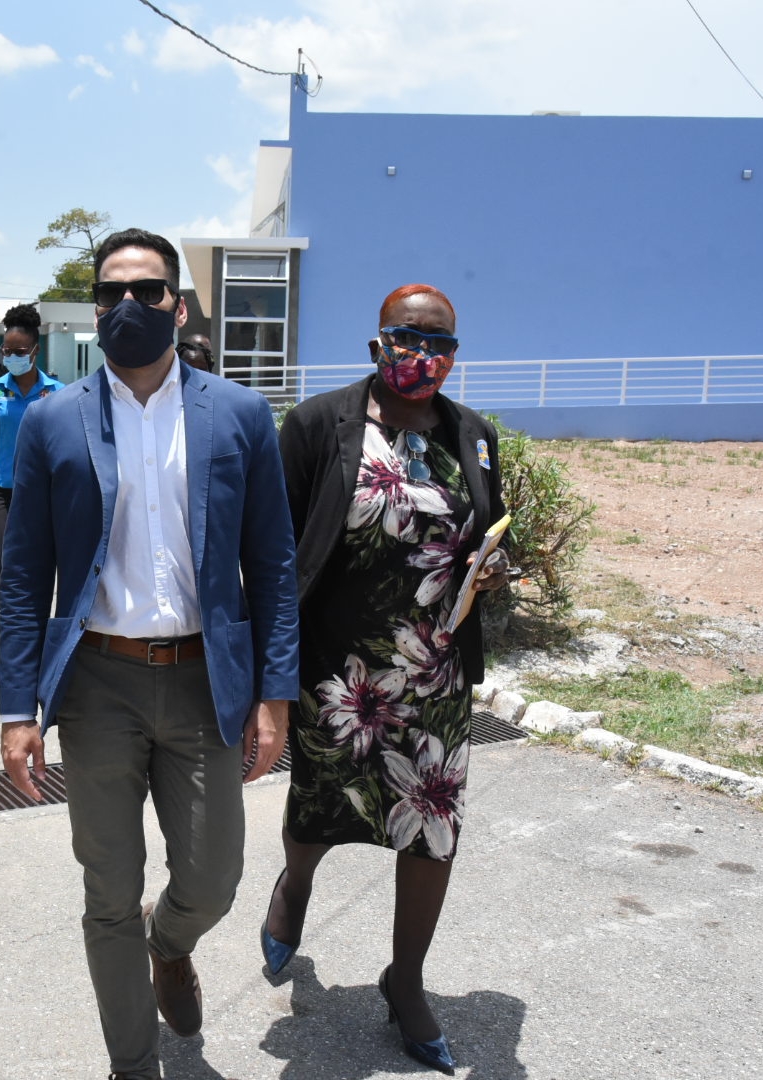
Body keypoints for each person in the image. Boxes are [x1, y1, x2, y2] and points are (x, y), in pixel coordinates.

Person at [0, 229, 299, 1080]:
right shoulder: (55, 420)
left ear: (180, 303)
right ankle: (133, 1064)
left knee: (214, 879)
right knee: (107, 890)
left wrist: (274, 696)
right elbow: (24, 579)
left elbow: (272, 565)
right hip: (98, 685)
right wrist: (18, 709)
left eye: (150, 290)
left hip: (207, 683)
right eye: (113, 292)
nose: (131, 306)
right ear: (96, 308)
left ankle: (171, 945)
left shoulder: (237, 415)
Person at [259, 283, 509, 1077]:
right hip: (340, 670)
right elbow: (274, 551)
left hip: (434, 669)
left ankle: (405, 982)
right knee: (318, 808)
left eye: (442, 343)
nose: (425, 355)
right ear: (377, 343)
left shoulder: (472, 434)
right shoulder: (317, 425)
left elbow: (481, 527)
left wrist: (490, 571)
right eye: (410, 337)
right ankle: (295, 887)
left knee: (432, 827)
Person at [0, 303, 63, 617]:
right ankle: (9, 645)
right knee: (4, 566)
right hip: (2, 491)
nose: (11, 357)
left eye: (18, 350)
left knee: (38, 568)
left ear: (35, 351)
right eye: (6, 351)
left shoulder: (57, 393)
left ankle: (35, 640)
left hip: (43, 494)